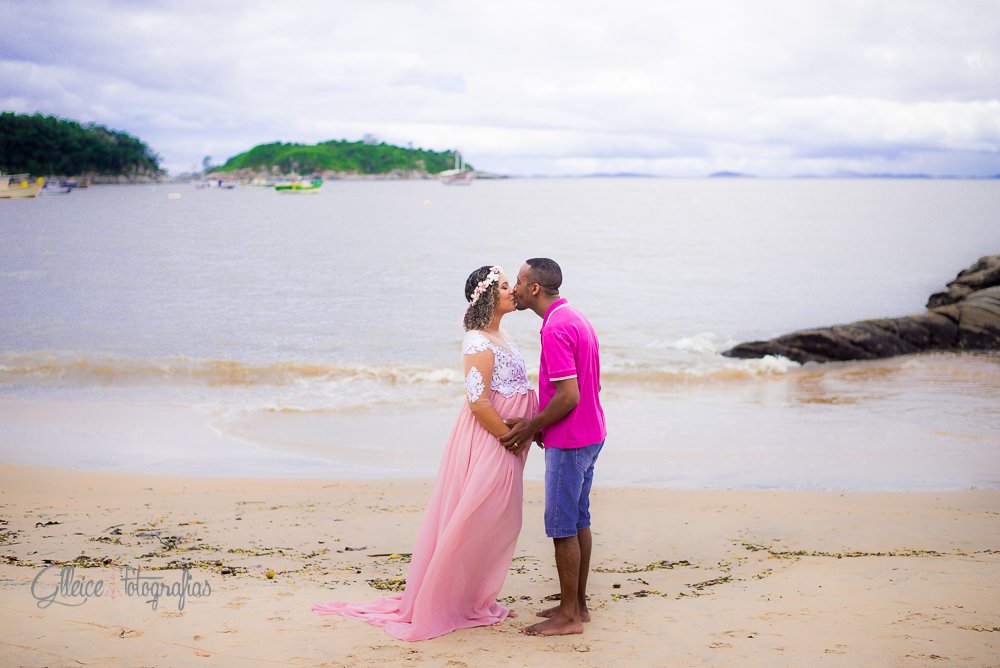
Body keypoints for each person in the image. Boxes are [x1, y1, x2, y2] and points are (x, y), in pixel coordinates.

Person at [311, 265, 538, 641]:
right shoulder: (477, 341)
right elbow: (478, 402)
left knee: (501, 519)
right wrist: (510, 439)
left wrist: (531, 428)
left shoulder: (502, 333)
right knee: (475, 516)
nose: (512, 290)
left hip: (510, 441)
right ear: (487, 296)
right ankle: (443, 600)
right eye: (502, 286)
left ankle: (470, 597)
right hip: (491, 439)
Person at [500, 258, 606, 637]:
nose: (514, 288)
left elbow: (569, 395)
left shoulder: (557, 327)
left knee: (562, 526)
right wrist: (547, 421)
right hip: (591, 433)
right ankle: (577, 605)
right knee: (579, 520)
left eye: (518, 281)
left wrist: (533, 425)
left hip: (571, 439)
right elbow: (592, 384)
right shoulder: (574, 317)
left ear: (534, 289)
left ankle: (568, 618)